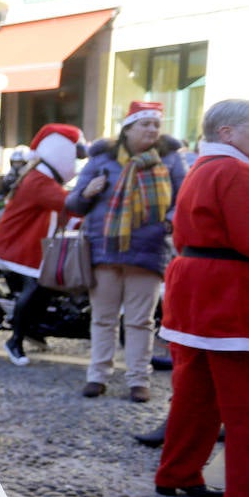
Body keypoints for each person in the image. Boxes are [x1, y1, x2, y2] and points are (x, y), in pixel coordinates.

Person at [154, 99, 249, 497]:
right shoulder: (236, 172)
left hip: (193, 290)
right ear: (228, 132)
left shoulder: (201, 168)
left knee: (194, 396)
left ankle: (175, 474)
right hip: (227, 294)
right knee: (243, 407)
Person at [65, 101, 185, 402]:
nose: (152, 129)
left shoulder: (169, 160)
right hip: (104, 250)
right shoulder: (102, 159)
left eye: (156, 124)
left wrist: (167, 224)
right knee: (103, 318)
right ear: (128, 128)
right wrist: (87, 192)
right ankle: (98, 376)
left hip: (148, 250)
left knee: (140, 321)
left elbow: (182, 202)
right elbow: (73, 203)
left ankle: (138, 381)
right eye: (145, 124)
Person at [0, 125, 86, 365]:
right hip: (19, 244)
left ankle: (33, 328)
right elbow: (67, 203)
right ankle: (16, 339)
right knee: (36, 285)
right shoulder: (39, 180)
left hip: (29, 241)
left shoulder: (42, 176)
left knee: (47, 285)